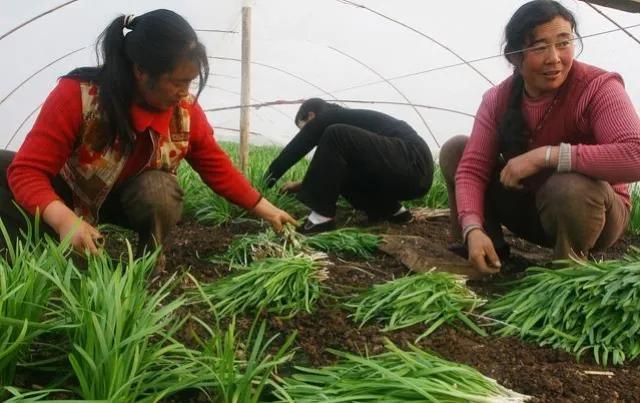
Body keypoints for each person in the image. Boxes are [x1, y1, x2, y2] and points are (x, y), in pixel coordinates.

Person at [1, 10, 295, 265]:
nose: (185, 91)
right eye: (178, 82)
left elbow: (216, 165)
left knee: (159, 190)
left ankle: (147, 263)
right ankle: (27, 252)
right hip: (72, 190)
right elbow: (28, 170)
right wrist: (64, 219)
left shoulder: (185, 112)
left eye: (190, 82)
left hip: (126, 201)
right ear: (141, 70)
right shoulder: (78, 95)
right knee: (5, 168)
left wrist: (268, 211)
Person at [439, 0, 640, 274]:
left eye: (563, 42)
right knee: (456, 150)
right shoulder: (498, 99)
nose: (554, 58)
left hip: (593, 213)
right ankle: (487, 252)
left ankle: (567, 270)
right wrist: (472, 227)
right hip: (531, 208)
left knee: (567, 186)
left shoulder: (597, 88)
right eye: (539, 47)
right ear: (514, 56)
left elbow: (635, 156)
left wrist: (546, 156)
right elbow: (473, 169)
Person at [264, 98, 434, 233]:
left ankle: (321, 218)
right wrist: (301, 185)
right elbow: (335, 170)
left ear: (311, 116)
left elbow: (295, 149)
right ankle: (393, 211)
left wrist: (265, 183)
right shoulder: (353, 123)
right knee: (342, 166)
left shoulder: (328, 118)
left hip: (412, 158)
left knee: (336, 134)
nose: (307, 134)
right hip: (415, 174)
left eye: (305, 129)